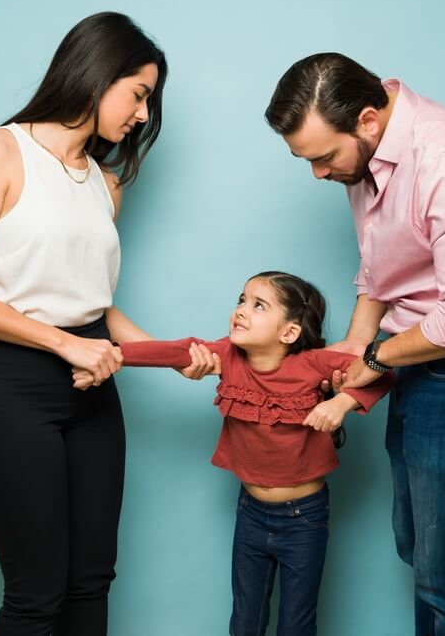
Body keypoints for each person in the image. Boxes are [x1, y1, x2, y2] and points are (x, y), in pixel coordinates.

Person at [0, 12, 218, 636]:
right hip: (7, 383)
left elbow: (92, 303)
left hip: (92, 385)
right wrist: (66, 345)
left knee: (91, 581)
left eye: (149, 100)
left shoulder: (105, 185)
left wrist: (171, 355)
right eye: (138, 94)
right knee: (35, 595)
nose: (143, 114)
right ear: (97, 74)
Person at [264, 53, 445, 636]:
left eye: (322, 157)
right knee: (419, 550)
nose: (317, 174)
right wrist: (357, 341)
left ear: (367, 120)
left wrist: (374, 357)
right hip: (416, 358)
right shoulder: (367, 156)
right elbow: (382, 268)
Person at [72, 271, 394, 636]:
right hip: (251, 513)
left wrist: (341, 404)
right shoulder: (227, 355)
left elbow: (382, 375)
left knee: (297, 624)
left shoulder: (316, 364)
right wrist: (114, 356)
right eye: (242, 300)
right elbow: (176, 351)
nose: (241, 310)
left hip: (304, 518)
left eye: (259, 305)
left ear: (289, 332)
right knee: (244, 621)